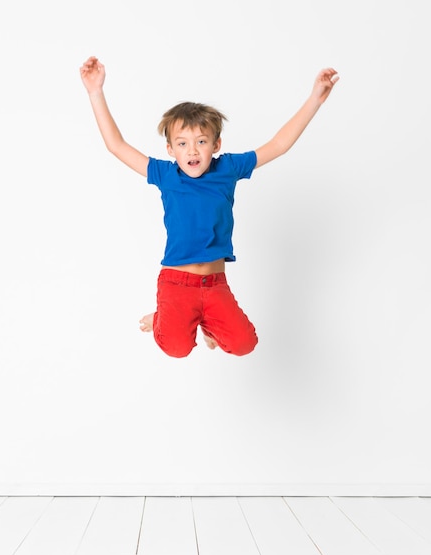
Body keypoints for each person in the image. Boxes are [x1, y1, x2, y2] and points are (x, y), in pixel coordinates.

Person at [80, 56, 339, 358]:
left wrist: (315, 100)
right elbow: (117, 146)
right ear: (170, 150)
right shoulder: (166, 174)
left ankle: (208, 325)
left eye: (201, 141)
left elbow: (278, 145)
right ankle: (165, 317)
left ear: (216, 145)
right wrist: (95, 92)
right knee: (176, 349)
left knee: (245, 344)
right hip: (177, 284)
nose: (192, 150)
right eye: (182, 143)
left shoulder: (227, 168)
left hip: (215, 284)